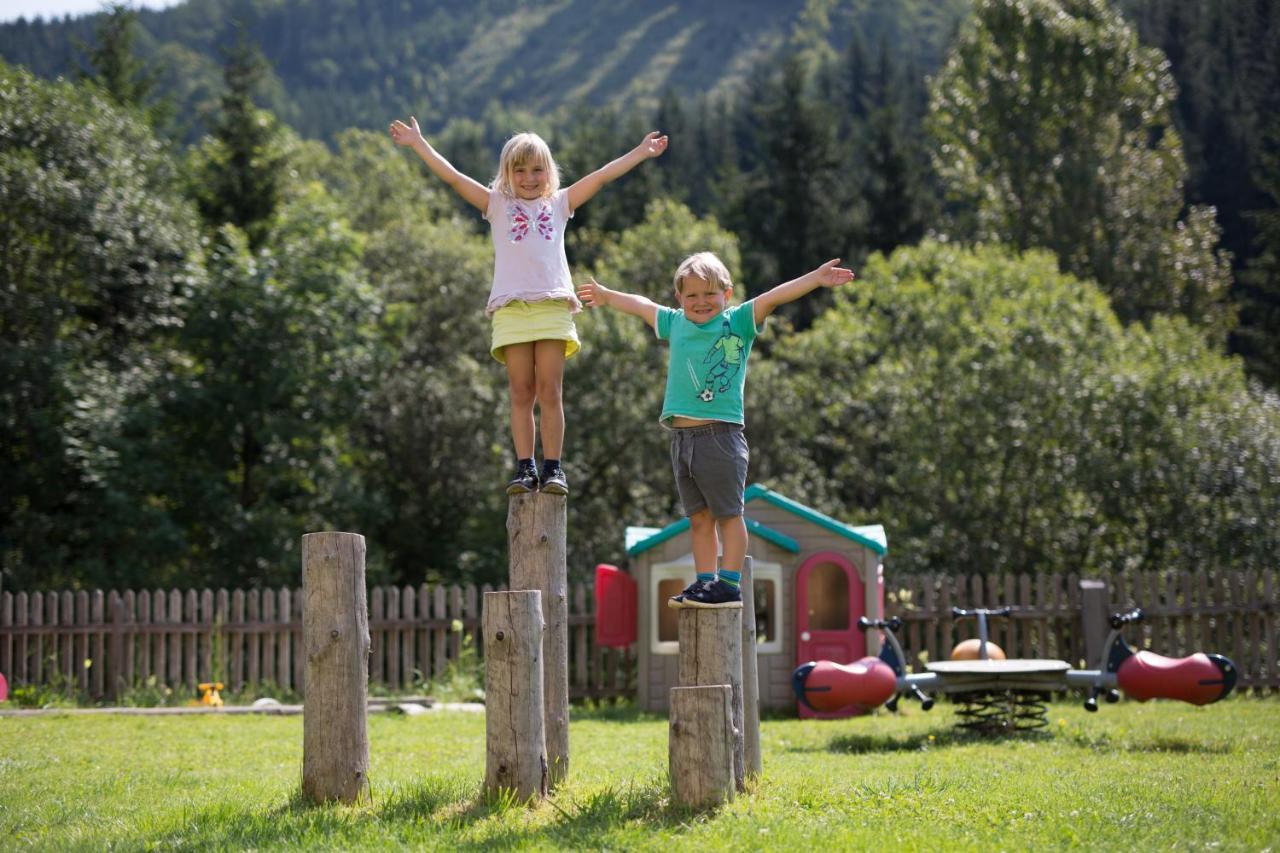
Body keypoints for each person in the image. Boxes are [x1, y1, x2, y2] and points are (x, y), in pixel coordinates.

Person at [389, 116, 668, 495]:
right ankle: (525, 468)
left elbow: (601, 176)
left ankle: (554, 468)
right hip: (511, 310)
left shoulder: (560, 202)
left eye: (537, 170)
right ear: (507, 173)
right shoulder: (496, 205)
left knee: (550, 390)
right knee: (522, 392)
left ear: (548, 171)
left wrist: (640, 152)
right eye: (519, 171)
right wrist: (420, 144)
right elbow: (453, 178)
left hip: (552, 306)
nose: (529, 178)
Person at [577, 252, 855, 607]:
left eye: (710, 294)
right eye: (691, 295)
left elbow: (773, 296)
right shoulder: (675, 323)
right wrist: (606, 295)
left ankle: (729, 584)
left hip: (720, 438)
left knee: (728, 516)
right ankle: (706, 582)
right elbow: (642, 305)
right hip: (681, 440)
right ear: (679, 298)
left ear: (728, 293)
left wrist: (815, 278)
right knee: (698, 520)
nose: (701, 302)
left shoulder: (736, 322)